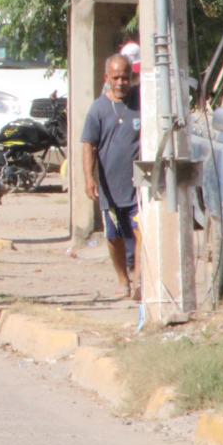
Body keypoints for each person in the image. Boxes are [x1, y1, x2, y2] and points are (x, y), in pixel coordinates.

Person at [81, 54, 141, 300]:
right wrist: (89, 178)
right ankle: (122, 279)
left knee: (140, 233)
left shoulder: (140, 102)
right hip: (110, 187)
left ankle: (138, 280)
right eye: (115, 77)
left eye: (125, 77)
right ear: (107, 78)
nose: (120, 82)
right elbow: (88, 146)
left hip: (138, 186)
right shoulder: (98, 109)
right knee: (114, 235)